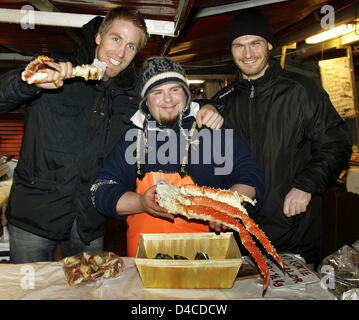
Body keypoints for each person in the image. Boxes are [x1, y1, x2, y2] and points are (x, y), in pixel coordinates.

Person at [0, 8, 222, 263]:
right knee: (31, 292)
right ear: (98, 37)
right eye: (115, 39)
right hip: (34, 216)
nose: (120, 53)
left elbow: (171, 107)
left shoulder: (134, 92)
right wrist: (25, 80)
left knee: (88, 291)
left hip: (89, 221)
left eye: (130, 46)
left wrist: (211, 106)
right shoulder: (55, 67)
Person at [213, 9, 353, 267]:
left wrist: (306, 184)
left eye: (255, 43)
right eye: (239, 45)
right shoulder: (222, 101)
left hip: (294, 239)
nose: (247, 53)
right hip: (239, 239)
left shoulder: (302, 91)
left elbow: (337, 143)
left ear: (269, 45)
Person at [91, 56, 265, 257]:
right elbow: (100, 190)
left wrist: (231, 204)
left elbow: (251, 174)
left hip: (207, 261)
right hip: (146, 264)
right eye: (157, 92)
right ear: (146, 100)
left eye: (175, 89)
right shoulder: (132, 138)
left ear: (186, 93)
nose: (168, 99)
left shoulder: (211, 131)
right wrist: (141, 203)